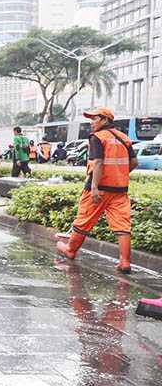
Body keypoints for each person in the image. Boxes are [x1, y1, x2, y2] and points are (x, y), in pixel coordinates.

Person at [56, 108, 137, 274]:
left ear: (105, 120)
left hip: (98, 189)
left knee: (83, 220)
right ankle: (125, 262)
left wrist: (94, 187)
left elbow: (98, 162)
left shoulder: (97, 137)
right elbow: (134, 162)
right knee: (123, 226)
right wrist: (118, 174)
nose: (91, 122)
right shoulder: (124, 138)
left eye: (95, 119)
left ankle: (70, 249)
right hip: (119, 189)